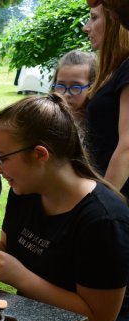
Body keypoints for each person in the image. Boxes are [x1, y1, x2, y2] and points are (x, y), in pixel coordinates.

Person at [0, 94, 129, 321]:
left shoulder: (104, 220)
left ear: (40, 155)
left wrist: (21, 278)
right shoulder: (25, 192)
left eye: (2, 158)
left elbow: (99, 320)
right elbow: (11, 250)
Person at [84, 6, 129, 198]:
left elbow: (127, 146)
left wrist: (102, 202)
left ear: (114, 22)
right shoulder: (115, 71)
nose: (87, 27)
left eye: (94, 18)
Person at [51, 50, 97, 133]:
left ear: (92, 87)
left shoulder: (97, 125)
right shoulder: (48, 120)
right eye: (61, 86)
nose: (66, 94)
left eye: (75, 87)